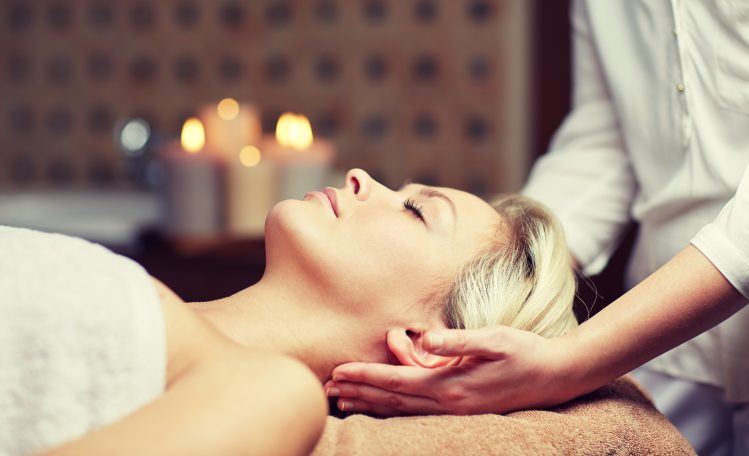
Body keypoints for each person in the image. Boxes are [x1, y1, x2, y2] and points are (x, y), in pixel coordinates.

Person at [325, 2, 749, 454]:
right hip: (669, 340)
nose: (358, 176)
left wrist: (569, 362)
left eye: (416, 211)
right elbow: (605, 140)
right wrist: (501, 280)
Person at [1, 168, 579, 456]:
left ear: (429, 343)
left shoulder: (272, 391)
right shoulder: (142, 297)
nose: (360, 175)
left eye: (416, 211)